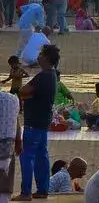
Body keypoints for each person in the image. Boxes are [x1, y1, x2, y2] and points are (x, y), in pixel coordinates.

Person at [16, 42, 58, 200]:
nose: (38, 56)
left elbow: (22, 91)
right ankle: (42, 189)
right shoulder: (52, 75)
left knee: (27, 156)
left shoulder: (42, 76)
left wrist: (27, 95)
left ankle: (25, 192)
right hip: (43, 122)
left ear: (46, 58)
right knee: (42, 156)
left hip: (33, 123)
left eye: (41, 53)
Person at [0, 88, 21, 203]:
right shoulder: (13, 99)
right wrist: (19, 142)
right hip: (8, 148)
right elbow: (17, 123)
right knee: (5, 185)